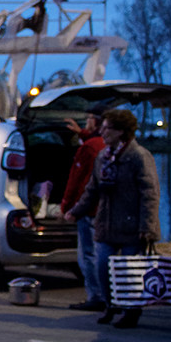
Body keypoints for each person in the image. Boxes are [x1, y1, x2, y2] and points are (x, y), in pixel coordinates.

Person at [68, 107, 161, 329]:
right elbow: (93, 189)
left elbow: (150, 193)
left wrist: (147, 227)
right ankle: (111, 305)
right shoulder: (104, 156)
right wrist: (75, 211)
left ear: (121, 131)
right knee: (103, 268)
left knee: (130, 272)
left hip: (131, 226)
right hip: (107, 223)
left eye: (108, 128)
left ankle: (131, 311)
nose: (103, 131)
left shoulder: (138, 156)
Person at [60, 110, 107, 311]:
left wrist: (66, 206)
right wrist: (81, 133)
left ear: (95, 122)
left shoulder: (88, 148)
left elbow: (76, 180)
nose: (86, 122)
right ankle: (106, 296)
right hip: (104, 210)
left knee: (87, 255)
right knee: (101, 253)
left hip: (87, 210)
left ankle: (96, 296)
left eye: (89, 119)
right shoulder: (106, 145)